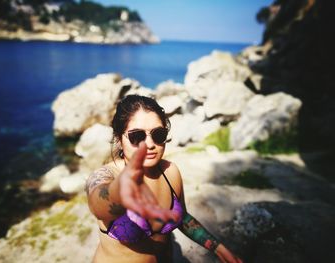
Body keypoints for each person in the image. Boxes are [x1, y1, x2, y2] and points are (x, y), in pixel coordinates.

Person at [85, 95, 243, 263]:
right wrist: (119, 193)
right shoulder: (106, 176)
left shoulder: (170, 171)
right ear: (119, 138)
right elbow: (98, 203)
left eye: (158, 134)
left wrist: (217, 247)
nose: (150, 143)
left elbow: (182, 217)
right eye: (137, 136)